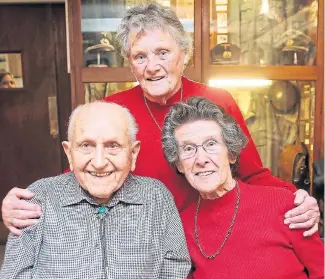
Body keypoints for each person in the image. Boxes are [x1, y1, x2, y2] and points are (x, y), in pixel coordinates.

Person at [2, 2, 319, 240]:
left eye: (163, 52)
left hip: (214, 239)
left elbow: (254, 174)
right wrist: (24, 204)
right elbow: (79, 177)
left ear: (185, 54)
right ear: (130, 63)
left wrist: (297, 198)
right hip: (139, 243)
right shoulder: (112, 109)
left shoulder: (218, 100)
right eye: (140, 56)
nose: (152, 66)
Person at [0, 102, 191, 279]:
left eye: (113, 146)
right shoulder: (39, 199)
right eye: (86, 146)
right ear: (69, 153)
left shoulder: (157, 198)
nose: (99, 162)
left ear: (133, 153)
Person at [162, 96, 324, 279]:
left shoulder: (283, 204)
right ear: (179, 164)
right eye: (188, 149)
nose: (201, 159)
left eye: (211, 144)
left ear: (231, 154)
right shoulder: (182, 226)